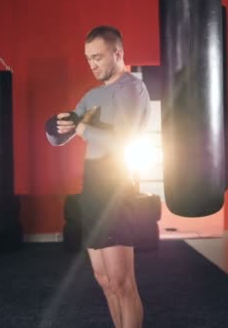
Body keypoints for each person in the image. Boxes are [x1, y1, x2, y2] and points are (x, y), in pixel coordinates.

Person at [45, 25, 150, 328]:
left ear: (118, 53)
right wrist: (58, 126)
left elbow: (123, 141)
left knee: (122, 283)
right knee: (104, 280)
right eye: (89, 58)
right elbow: (59, 137)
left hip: (116, 189)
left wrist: (80, 128)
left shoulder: (132, 88)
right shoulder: (91, 95)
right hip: (91, 189)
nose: (92, 64)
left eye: (98, 57)